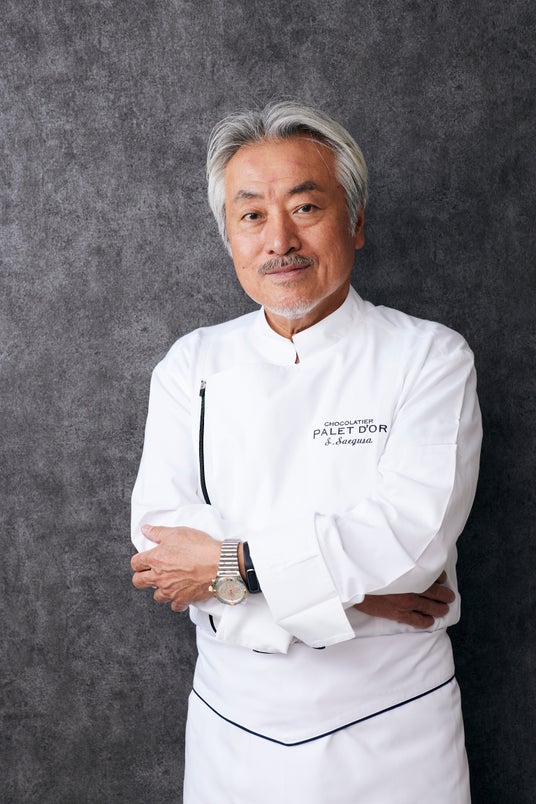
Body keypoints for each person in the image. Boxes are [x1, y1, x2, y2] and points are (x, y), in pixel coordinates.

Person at [130, 101, 482, 803]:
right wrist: (361, 592)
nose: (279, 240)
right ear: (229, 236)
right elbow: (161, 550)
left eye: (306, 207)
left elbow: (412, 545)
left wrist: (227, 568)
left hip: (392, 725)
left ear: (355, 222)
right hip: (233, 726)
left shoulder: (430, 356)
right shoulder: (190, 365)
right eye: (251, 214)